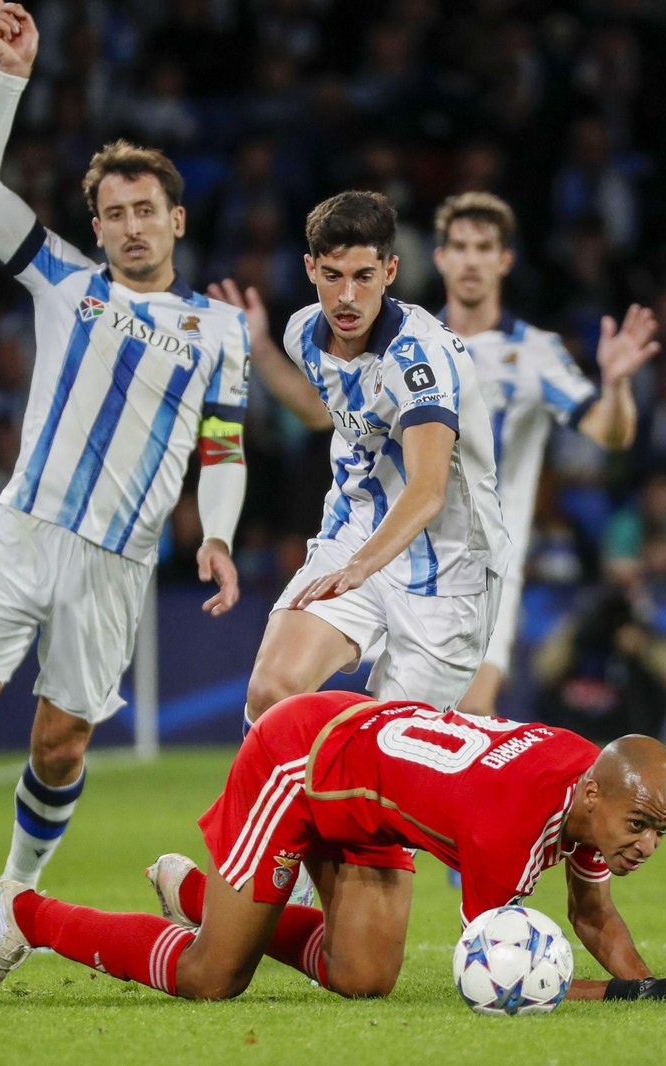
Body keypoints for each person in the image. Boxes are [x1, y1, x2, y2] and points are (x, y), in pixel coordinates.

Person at [0, 1, 251, 954]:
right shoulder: (62, 279)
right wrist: (11, 78)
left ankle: (12, 897)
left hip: (118, 564)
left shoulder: (220, 332)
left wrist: (221, 536)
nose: (129, 226)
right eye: (112, 213)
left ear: (176, 219)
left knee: (60, 744)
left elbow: (223, 449)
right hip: (24, 529)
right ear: (97, 228)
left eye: (145, 209)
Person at [0, 689, 666, 1005]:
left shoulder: (590, 786)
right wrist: (623, 997)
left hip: (376, 799)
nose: (647, 846)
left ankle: (203, 894)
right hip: (301, 763)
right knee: (213, 976)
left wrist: (653, 987)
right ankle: (24, 912)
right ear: (596, 799)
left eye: (660, 832)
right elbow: (501, 977)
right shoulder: (513, 827)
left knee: (363, 978)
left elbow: (591, 914)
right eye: (641, 828)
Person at [210, 191, 509, 732]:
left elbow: (429, 488)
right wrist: (257, 344)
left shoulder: (420, 360)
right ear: (310, 268)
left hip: (449, 565)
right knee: (271, 693)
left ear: (391, 270)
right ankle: (284, 816)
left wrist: (362, 566)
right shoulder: (304, 332)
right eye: (332, 275)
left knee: (390, 757)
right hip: (357, 533)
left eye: (364, 276)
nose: (346, 296)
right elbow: (318, 413)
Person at [427, 192, 659, 713]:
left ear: (505, 260)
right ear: (440, 256)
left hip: (484, 568)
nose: (471, 259)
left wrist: (616, 387)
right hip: (399, 554)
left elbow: (610, 431)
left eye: (484, 247)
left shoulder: (535, 352)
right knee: (391, 724)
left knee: (467, 717)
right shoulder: (407, 342)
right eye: (459, 246)